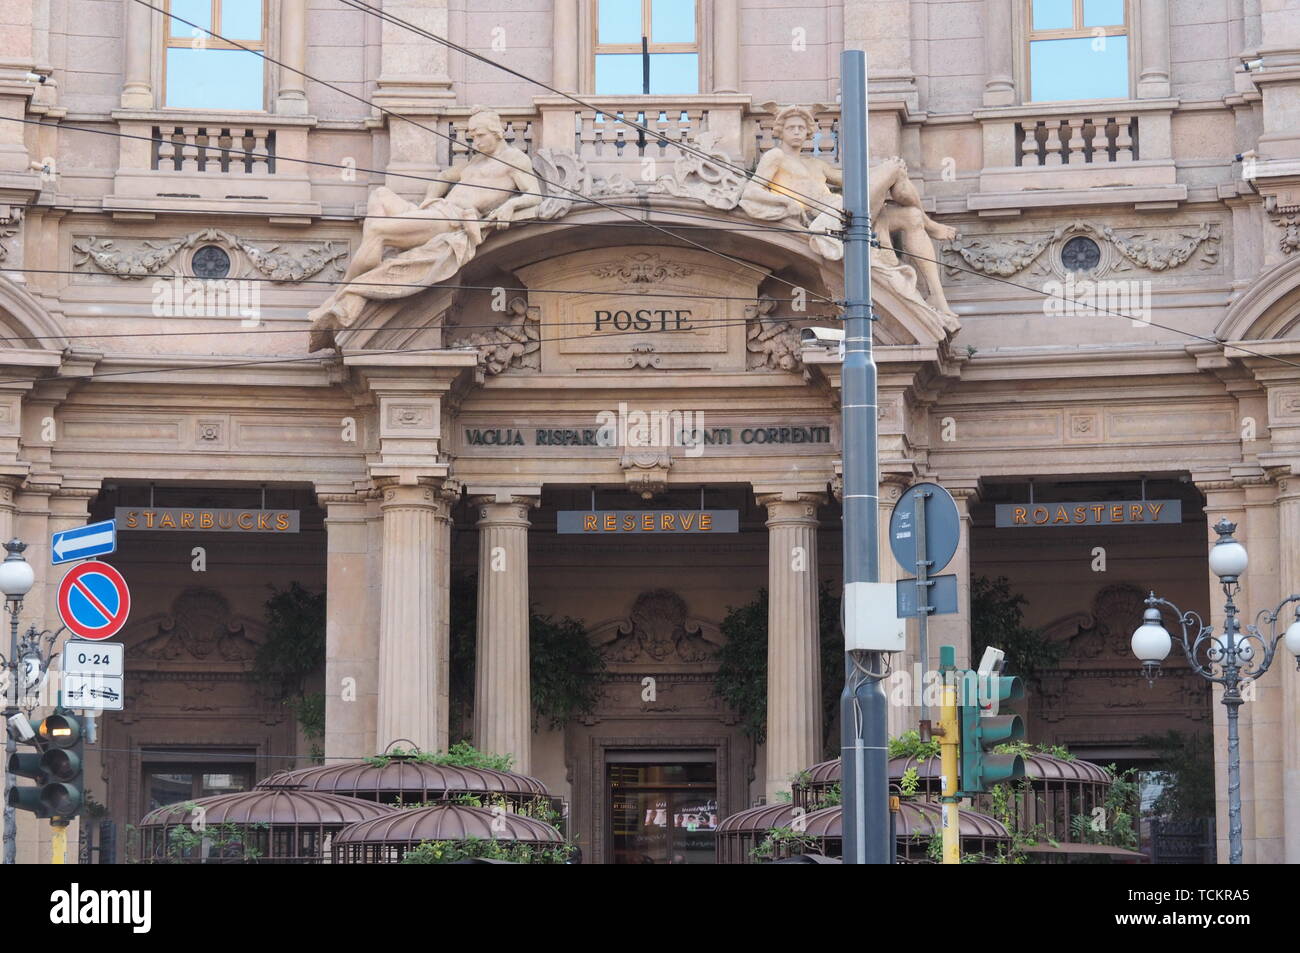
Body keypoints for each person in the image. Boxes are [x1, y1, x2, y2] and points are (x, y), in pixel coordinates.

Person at [307, 109, 542, 350]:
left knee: (377, 230)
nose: (476, 142)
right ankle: (372, 258)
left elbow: (534, 194)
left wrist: (511, 205)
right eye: (472, 137)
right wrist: (426, 204)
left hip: (450, 220)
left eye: (480, 136)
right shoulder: (477, 159)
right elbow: (444, 177)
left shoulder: (514, 159)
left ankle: (342, 293)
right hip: (435, 210)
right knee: (380, 195)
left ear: (497, 132)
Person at [740, 105, 959, 325]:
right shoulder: (775, 156)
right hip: (831, 219)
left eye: (800, 127)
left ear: (808, 132)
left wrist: (885, 170)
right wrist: (786, 201)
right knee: (892, 168)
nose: (796, 132)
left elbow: (854, 180)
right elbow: (751, 191)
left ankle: (937, 296)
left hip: (847, 212)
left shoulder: (816, 164)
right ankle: (930, 224)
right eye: (791, 128)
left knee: (911, 215)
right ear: (780, 131)